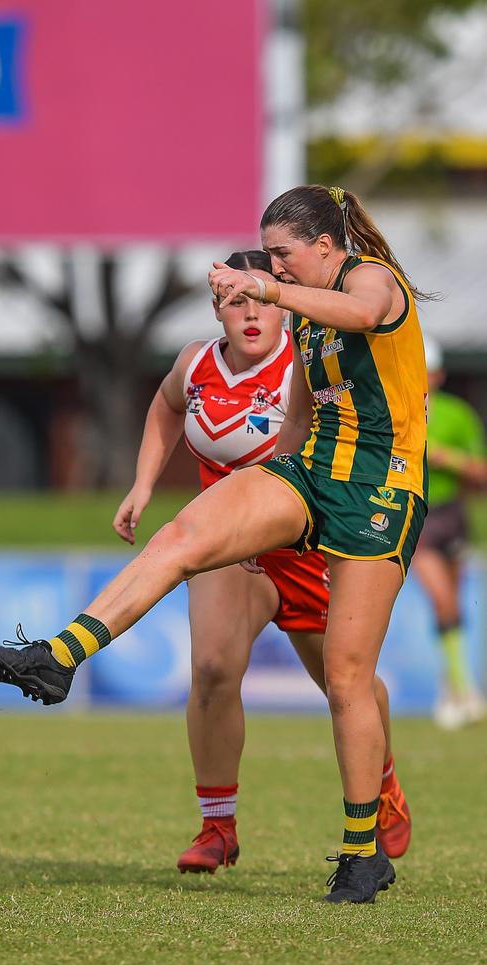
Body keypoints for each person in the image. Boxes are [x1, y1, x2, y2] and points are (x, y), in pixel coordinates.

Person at [0, 184, 428, 905]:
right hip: (309, 475)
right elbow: (303, 413)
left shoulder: (368, 280)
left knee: (346, 679)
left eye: (282, 255)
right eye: (265, 260)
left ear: (322, 246)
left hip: (380, 493)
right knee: (183, 537)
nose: (271, 272)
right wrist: (261, 502)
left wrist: (262, 285)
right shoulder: (291, 317)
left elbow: (365, 314)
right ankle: (58, 656)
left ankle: (361, 851)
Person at [111, 249, 411, 873]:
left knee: (343, 681)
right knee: (214, 670)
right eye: (234, 302)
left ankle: (382, 783)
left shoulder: (307, 360)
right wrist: (143, 483)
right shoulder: (194, 362)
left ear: (283, 301)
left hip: (305, 547)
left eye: (261, 298)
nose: (250, 314)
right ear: (216, 310)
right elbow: (166, 406)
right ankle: (217, 826)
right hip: (229, 553)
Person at [412, 338, 487, 729]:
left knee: (454, 607)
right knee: (442, 601)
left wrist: (444, 457)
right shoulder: (397, 410)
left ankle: (452, 686)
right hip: (418, 517)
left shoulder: (458, 415)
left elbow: (480, 471)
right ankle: (466, 688)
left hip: (453, 514)